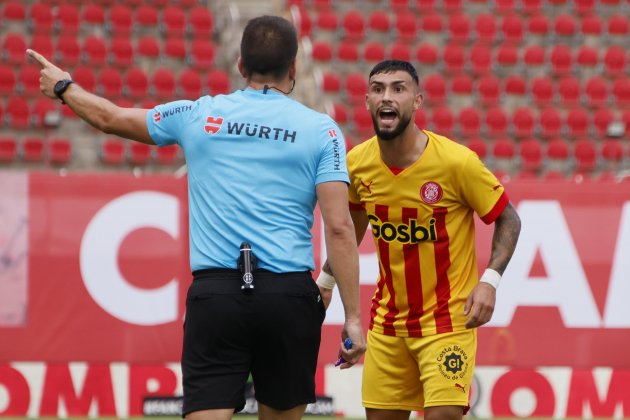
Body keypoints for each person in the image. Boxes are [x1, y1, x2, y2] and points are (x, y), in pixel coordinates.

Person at [27, 15, 365, 420]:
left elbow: (111, 118)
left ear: (240, 64)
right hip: (288, 297)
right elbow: (340, 227)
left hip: (217, 295)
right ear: (294, 67)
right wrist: (354, 317)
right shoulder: (322, 130)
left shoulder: (198, 115)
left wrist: (65, 87)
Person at [317, 60, 521, 420]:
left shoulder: (457, 163)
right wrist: (327, 281)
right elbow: (350, 230)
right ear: (367, 101)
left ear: (417, 101)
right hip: (388, 325)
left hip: (447, 323)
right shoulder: (358, 164)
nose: (387, 96)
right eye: (378, 89)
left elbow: (508, 218)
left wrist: (490, 281)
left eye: (398, 88)